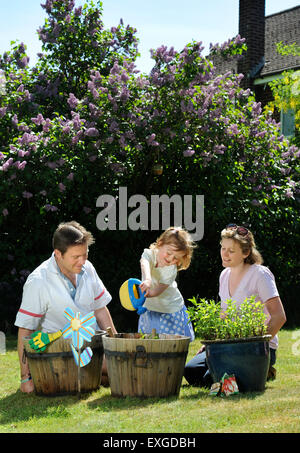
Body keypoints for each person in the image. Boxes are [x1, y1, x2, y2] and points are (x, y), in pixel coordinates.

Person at [15, 221, 117, 393]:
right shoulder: (38, 281)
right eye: (76, 257)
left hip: (93, 346)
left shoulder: (88, 268)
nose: (82, 261)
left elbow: (100, 309)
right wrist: (25, 378)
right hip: (60, 353)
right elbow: (25, 330)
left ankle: (99, 374)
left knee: (118, 365)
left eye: (85, 255)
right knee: (118, 368)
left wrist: (116, 345)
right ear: (58, 254)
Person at [184, 223, 287, 387]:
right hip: (229, 345)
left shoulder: (260, 274)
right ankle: (256, 372)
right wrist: (211, 345)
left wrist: (257, 343)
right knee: (191, 371)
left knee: (209, 378)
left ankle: (263, 367)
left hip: (257, 348)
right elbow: (224, 315)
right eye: (223, 248)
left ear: (246, 253)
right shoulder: (224, 275)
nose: (225, 254)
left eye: (231, 251)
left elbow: (279, 317)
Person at [138, 226, 196, 339]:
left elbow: (157, 291)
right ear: (160, 244)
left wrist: (147, 293)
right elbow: (144, 263)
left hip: (170, 310)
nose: (171, 259)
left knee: (170, 345)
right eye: (169, 253)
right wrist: (147, 280)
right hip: (150, 308)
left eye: (176, 258)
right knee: (149, 343)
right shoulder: (150, 254)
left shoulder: (171, 269)